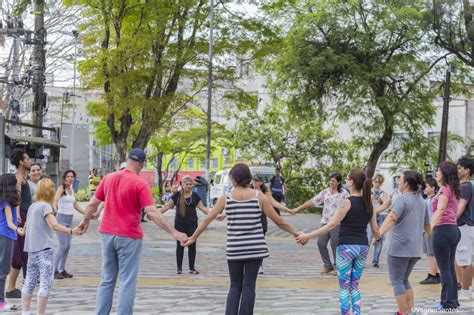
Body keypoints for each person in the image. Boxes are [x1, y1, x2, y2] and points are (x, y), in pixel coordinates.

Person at [78, 148, 188, 315]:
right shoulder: (140, 183)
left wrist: (84, 220)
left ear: (127, 160)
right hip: (129, 235)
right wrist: (174, 232)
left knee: (107, 280)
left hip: (107, 233)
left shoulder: (108, 178)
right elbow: (151, 212)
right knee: (127, 282)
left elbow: (93, 204)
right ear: (142, 164)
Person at [183, 163, 303, 315]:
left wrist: (193, 238)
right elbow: (278, 220)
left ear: (233, 178)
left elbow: (207, 220)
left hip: (235, 249)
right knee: (249, 285)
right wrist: (296, 233)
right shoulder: (258, 196)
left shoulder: (226, 198)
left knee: (235, 286)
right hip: (255, 248)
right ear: (248, 178)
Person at [296, 169, 380, 315]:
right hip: (362, 248)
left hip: (346, 248)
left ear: (352, 182)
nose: (347, 180)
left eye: (348, 178)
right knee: (354, 286)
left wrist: (308, 235)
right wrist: (377, 239)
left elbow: (331, 225)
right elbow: (376, 231)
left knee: (344, 287)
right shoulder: (370, 204)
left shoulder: (347, 202)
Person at [21, 178, 82, 315]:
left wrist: (21, 230)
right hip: (44, 251)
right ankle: (40, 313)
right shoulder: (45, 207)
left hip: (31, 251)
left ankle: (25, 311)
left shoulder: (32, 207)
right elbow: (54, 224)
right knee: (45, 283)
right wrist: (71, 231)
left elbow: (25, 228)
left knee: (29, 281)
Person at [375, 171, 431, 315]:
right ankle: (411, 311)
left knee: (397, 281)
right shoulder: (421, 201)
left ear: (406, 183)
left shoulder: (402, 199)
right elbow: (427, 226)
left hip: (399, 247)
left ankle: (402, 312)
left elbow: (392, 218)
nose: (398, 182)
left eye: (400, 180)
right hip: (415, 248)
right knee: (404, 280)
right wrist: (432, 237)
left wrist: (378, 234)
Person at [292, 172, 349, 275]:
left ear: (339, 182)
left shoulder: (344, 193)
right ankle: (327, 265)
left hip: (337, 223)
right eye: (330, 180)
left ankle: (338, 267)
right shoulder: (325, 192)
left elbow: (350, 206)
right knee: (320, 243)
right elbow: (313, 201)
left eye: (333, 181)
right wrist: (299, 208)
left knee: (335, 244)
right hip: (325, 222)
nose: (331, 182)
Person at [160, 176, 211, 274]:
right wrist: (156, 214)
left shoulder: (195, 196)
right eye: (186, 184)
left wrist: (215, 216)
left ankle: (192, 268)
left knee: (192, 245)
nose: (189, 186)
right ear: (182, 185)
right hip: (180, 224)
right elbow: (166, 206)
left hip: (192, 224)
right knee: (180, 245)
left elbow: (204, 209)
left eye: (190, 184)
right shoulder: (177, 196)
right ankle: (179, 268)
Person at [431, 161, 461, 311]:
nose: (436, 173)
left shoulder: (444, 189)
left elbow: (441, 209)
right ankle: (453, 301)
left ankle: (446, 303)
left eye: (438, 171)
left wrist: (431, 227)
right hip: (453, 229)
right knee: (449, 267)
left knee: (444, 269)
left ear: (444, 173)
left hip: (443, 230)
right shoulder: (453, 188)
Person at [251, 174, 294, 274]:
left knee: (260, 244)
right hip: (249, 219)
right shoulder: (248, 191)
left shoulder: (265, 193)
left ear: (261, 182)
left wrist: (287, 209)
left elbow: (275, 203)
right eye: (253, 181)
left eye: (256, 181)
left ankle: (259, 266)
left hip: (261, 219)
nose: (254, 183)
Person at [6, 148, 32, 299]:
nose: (29, 161)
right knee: (18, 254)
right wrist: (17, 216)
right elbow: (17, 197)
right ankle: (10, 288)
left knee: (23, 253)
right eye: (27, 159)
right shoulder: (18, 178)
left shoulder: (23, 177)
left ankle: (16, 287)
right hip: (21, 216)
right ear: (21, 162)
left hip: (24, 215)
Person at [53, 170, 86, 279]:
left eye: (72, 177)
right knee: (63, 246)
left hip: (70, 220)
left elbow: (75, 205)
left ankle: (62, 270)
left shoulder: (71, 189)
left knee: (68, 246)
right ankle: (53, 270)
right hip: (61, 219)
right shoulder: (61, 188)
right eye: (68, 176)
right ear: (64, 178)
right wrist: (54, 212)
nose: (70, 178)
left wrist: (88, 214)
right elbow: (54, 201)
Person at [0, 174, 24, 311]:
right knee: (3, 270)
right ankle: (1, 302)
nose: (17, 185)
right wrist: (18, 229)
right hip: (7, 235)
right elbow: (9, 223)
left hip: (3, 234)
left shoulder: (2, 200)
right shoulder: (7, 201)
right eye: (16, 183)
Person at [455, 156, 473, 302]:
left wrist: (449, 220)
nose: (457, 169)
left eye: (460, 167)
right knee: (464, 259)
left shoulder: (465, 187)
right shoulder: (462, 185)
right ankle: (468, 289)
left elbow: (461, 207)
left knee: (465, 261)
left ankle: (466, 291)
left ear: (467, 171)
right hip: (463, 227)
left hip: (464, 227)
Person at [419, 178, 440, 285]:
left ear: (433, 188)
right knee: (429, 253)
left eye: (426, 186)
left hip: (431, 229)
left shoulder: (435, 200)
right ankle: (433, 273)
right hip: (425, 229)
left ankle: (433, 275)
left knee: (432, 253)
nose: (424, 189)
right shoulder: (427, 199)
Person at [366, 173, 389, 268]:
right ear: (372, 181)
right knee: (368, 238)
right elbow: (364, 204)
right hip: (370, 216)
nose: (377, 184)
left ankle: (375, 261)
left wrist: (380, 200)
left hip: (381, 216)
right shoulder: (367, 192)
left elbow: (386, 206)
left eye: (379, 182)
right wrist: (370, 199)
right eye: (376, 181)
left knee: (379, 239)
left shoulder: (384, 193)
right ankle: (362, 260)